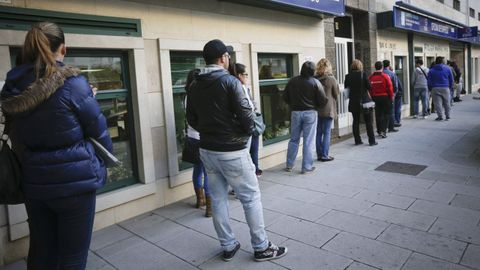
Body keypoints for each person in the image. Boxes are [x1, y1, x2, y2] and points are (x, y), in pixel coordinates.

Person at [0, 22, 112, 270]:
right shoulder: (74, 84)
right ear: (64, 48)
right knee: (72, 257)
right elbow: (98, 130)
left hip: (34, 182)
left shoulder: (12, 86)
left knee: (42, 253)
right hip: (75, 185)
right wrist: (105, 161)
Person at [186, 39, 287, 262]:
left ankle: (228, 245)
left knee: (219, 199)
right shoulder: (231, 82)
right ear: (223, 58)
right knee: (250, 198)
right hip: (232, 150)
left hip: (207, 151)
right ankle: (261, 247)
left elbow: (191, 119)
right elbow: (248, 120)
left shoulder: (194, 84)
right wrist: (239, 133)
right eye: (228, 57)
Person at [283, 61, 328, 173]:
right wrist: (315, 106)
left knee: (294, 139)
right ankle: (306, 167)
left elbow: (285, 97)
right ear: (313, 71)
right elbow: (323, 100)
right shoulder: (315, 82)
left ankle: (289, 165)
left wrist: (293, 104)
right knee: (308, 141)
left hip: (296, 112)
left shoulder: (292, 81)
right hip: (310, 112)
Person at [185, 69, 211, 217]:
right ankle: (210, 207)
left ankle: (200, 200)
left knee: (197, 170)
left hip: (192, 137)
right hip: (202, 136)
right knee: (208, 172)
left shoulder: (187, 96)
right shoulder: (200, 94)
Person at [231, 63, 263, 176]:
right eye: (246, 74)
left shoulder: (244, 87)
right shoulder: (236, 88)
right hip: (245, 123)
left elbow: (251, 102)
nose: (247, 77)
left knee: (254, 147)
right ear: (239, 75)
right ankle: (244, 178)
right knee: (245, 152)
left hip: (251, 120)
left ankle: (255, 169)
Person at [344, 59, 377, 146]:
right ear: (360, 66)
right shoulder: (363, 74)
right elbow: (369, 87)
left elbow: (346, 88)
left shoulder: (347, 76)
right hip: (365, 101)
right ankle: (372, 141)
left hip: (353, 101)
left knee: (355, 121)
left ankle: (357, 140)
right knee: (368, 121)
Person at [315, 58, 339, 161]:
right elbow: (336, 93)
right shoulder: (331, 79)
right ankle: (325, 155)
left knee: (318, 133)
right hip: (328, 109)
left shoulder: (314, 79)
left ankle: (319, 155)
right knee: (327, 132)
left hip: (317, 109)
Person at [369, 61, 394, 139]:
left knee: (378, 114)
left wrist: (371, 97)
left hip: (374, 97)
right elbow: (390, 87)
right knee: (386, 114)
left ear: (375, 67)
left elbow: (369, 88)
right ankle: (383, 131)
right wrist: (391, 97)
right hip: (385, 97)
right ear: (382, 67)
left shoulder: (371, 77)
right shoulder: (385, 76)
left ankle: (379, 130)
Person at [428, 56, 453, 121]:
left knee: (437, 103)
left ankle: (440, 116)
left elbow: (429, 81)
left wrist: (430, 88)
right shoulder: (448, 69)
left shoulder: (431, 70)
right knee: (447, 102)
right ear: (442, 62)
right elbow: (451, 79)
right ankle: (448, 116)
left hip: (435, 88)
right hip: (445, 87)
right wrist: (449, 87)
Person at [382, 60, 400, 131]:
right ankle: (391, 127)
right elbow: (396, 86)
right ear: (389, 65)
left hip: (381, 95)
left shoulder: (381, 73)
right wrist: (393, 94)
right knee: (391, 111)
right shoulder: (392, 74)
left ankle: (382, 128)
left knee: (382, 112)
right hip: (390, 95)